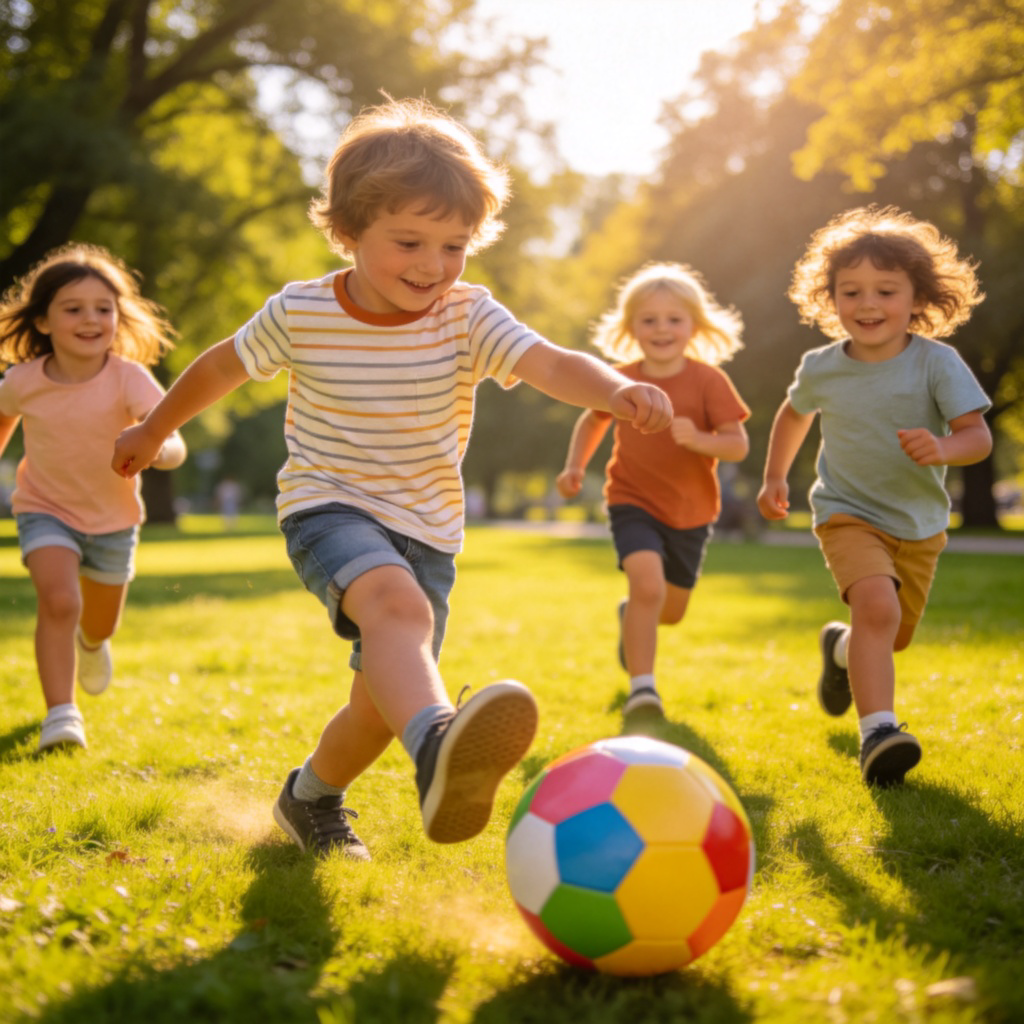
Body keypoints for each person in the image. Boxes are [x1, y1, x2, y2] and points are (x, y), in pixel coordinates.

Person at [111, 97, 672, 859]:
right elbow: (221, 364)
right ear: (347, 231)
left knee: (378, 706)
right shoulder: (302, 312)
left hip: (429, 528)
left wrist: (612, 389)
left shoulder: (468, 316)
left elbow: (550, 362)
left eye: (454, 245)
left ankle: (309, 799)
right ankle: (441, 745)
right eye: (409, 241)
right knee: (393, 606)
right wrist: (154, 427)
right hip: (328, 507)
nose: (433, 266)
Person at [756, 205, 991, 787]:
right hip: (846, 512)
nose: (866, 304)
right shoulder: (821, 367)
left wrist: (942, 447)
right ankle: (879, 734)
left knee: (889, 634)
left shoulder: (937, 363)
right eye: (850, 291)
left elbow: (977, 437)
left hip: (918, 523)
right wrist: (775, 477)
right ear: (829, 298)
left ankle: (839, 651)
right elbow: (793, 414)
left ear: (917, 298)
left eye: (885, 291)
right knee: (877, 611)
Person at [0, 244, 187, 752]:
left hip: (113, 518)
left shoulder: (126, 376)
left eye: (103, 308)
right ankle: (61, 715)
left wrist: (162, 449)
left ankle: (91, 643)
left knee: (99, 620)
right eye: (74, 308)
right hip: (44, 509)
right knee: (59, 601)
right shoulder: (22, 382)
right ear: (42, 321)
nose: (92, 319)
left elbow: (165, 432)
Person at [556, 262, 750, 724]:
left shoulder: (709, 380)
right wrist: (575, 466)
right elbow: (593, 418)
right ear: (631, 328)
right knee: (647, 584)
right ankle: (643, 690)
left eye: (673, 319)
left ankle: (634, 619)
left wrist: (701, 440)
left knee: (669, 609)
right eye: (649, 320)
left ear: (694, 326)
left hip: (692, 510)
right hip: (631, 500)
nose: (661, 329)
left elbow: (738, 445)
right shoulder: (620, 379)